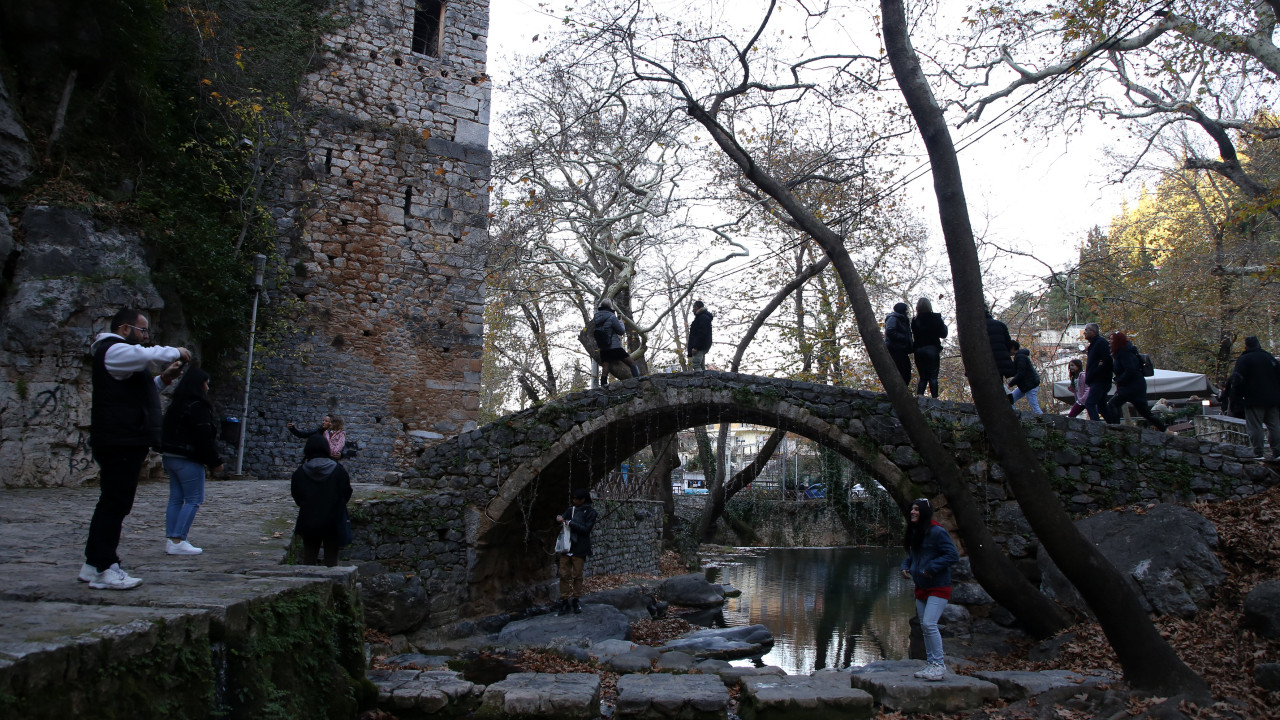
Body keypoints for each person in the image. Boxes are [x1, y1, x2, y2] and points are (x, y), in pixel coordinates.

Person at [79, 308, 190, 590]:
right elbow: (147, 355)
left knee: (112, 502)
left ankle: (93, 564)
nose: (145, 337)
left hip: (123, 438)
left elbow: (140, 392)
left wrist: (164, 379)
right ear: (125, 329)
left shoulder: (119, 359)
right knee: (115, 504)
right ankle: (106, 566)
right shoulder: (113, 349)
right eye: (142, 331)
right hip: (119, 439)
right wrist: (177, 351)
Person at [158, 366, 222, 556]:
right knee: (194, 499)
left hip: (170, 456)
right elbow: (203, 436)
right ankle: (179, 539)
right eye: (206, 384)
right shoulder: (197, 406)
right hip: (188, 458)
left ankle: (171, 539)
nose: (208, 388)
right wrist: (214, 461)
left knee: (176, 499)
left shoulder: (176, 404)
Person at [899, 498, 958, 682]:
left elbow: (952, 554)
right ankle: (931, 664)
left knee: (929, 624)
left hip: (938, 586)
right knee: (925, 627)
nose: (912, 512)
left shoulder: (937, 532)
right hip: (921, 587)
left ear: (924, 512)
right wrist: (905, 565)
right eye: (911, 510)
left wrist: (931, 568)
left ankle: (939, 665)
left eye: (916, 510)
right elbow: (914, 554)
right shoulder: (917, 531)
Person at [290, 433, 353, 566]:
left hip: (308, 518)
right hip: (334, 519)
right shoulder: (338, 471)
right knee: (331, 559)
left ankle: (308, 585)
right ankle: (334, 585)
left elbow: (296, 495)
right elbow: (346, 492)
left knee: (309, 557)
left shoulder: (300, 472)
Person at [1229, 336, 1280, 460]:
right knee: (1274, 426)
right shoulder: (1269, 358)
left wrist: (1236, 397)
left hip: (1253, 399)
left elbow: (1237, 380)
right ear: (1259, 344)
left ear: (1246, 346)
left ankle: (1258, 453)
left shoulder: (1244, 359)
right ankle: (1277, 452)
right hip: (1273, 398)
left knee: (1255, 426)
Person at [1106, 331, 1166, 431]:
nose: (1110, 341)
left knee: (1113, 404)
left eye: (1112, 339)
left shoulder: (1125, 353)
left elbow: (1130, 370)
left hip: (1130, 387)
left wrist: (1118, 380)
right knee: (1145, 413)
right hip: (1135, 386)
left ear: (1117, 341)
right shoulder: (1125, 352)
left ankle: (1115, 429)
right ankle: (1164, 429)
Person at [554, 488, 597, 615]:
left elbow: (586, 529)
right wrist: (559, 518)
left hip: (580, 548)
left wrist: (569, 523)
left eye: (576, 499)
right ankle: (564, 600)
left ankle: (576, 599)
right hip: (567, 547)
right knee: (563, 575)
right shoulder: (570, 510)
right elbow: (561, 519)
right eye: (573, 498)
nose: (573, 501)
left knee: (577, 576)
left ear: (583, 499)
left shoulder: (591, 513)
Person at [593, 299, 640, 384]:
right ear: (610, 306)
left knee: (605, 368)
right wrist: (620, 322)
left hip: (603, 348)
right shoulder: (612, 317)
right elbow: (621, 331)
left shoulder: (596, 318)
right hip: (614, 347)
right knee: (632, 363)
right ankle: (638, 382)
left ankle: (603, 387)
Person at [911, 298, 948, 398]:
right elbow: (943, 334)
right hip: (932, 349)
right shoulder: (936, 318)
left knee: (923, 377)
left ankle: (919, 396)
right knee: (933, 377)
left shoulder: (915, 320)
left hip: (918, 350)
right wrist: (943, 324)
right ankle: (935, 399)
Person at [1083, 323, 1115, 422]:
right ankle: (1113, 426)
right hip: (1097, 380)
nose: (1084, 332)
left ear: (1093, 332)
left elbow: (1107, 361)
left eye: (1086, 330)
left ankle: (1097, 427)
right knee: (1102, 406)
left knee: (1090, 403)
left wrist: (1096, 371)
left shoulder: (1100, 343)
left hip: (1100, 380)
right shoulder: (1094, 344)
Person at [1007, 341, 1042, 414]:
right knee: (1009, 400)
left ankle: (1045, 423)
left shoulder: (1020, 357)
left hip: (1030, 385)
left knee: (1035, 408)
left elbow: (1020, 373)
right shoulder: (1019, 357)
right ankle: (1014, 415)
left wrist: (1010, 384)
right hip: (1026, 385)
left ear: (1013, 348)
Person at [884, 302, 913, 385]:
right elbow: (890, 331)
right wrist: (905, 338)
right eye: (906, 309)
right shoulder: (893, 318)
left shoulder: (902, 319)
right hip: (895, 349)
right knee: (902, 372)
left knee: (906, 372)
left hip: (901, 349)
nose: (908, 311)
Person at [985, 310, 1016, 379]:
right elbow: (1008, 343)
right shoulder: (1000, 325)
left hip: (984, 363)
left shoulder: (975, 327)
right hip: (1001, 362)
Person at [688, 300, 714, 370]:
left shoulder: (702, 318)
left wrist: (696, 346)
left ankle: (700, 380)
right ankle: (705, 380)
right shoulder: (703, 317)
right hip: (702, 345)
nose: (692, 310)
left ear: (696, 307)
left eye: (693, 308)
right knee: (701, 367)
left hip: (700, 346)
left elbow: (701, 333)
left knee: (696, 365)